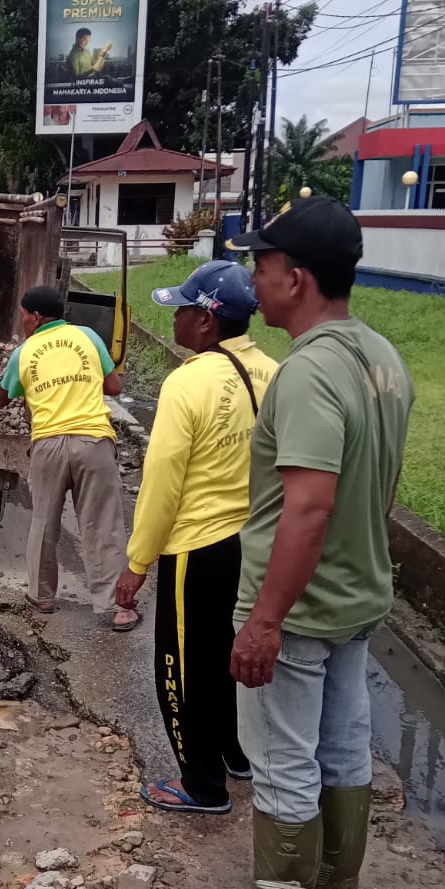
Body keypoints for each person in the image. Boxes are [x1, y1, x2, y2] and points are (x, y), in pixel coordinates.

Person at [186, 196, 413, 889]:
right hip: (356, 598)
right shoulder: (380, 357)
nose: (256, 275)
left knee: (284, 763)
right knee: (345, 750)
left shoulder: (311, 374)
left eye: (265, 263)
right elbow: (378, 483)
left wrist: (264, 621)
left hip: (302, 609)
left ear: (300, 278)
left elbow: (308, 508)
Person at [116, 260, 278, 816]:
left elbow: (162, 483)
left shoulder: (187, 382)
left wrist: (137, 562)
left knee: (181, 668)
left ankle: (200, 784)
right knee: (223, 657)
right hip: (251, 544)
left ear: (206, 322)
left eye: (183, 308)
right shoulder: (272, 373)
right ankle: (233, 754)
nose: (175, 318)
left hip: (197, 548)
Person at [0, 284, 138, 632]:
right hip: (93, 440)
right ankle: (117, 607)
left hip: (48, 445)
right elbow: (114, 387)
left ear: (35, 317)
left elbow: (4, 397)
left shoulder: (25, 351)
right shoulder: (88, 337)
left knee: (45, 523)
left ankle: (41, 596)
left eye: (22, 317)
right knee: (102, 524)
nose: (22, 323)